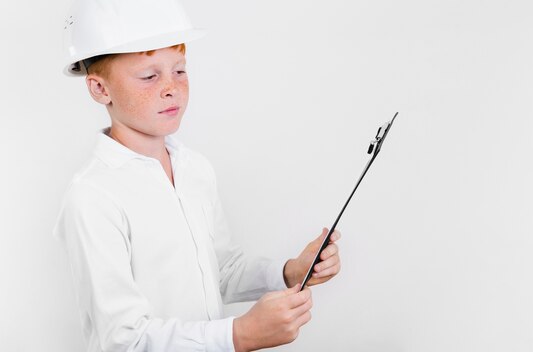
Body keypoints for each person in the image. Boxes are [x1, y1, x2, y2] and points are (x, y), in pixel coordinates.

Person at [53, 0, 341, 351]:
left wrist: (289, 271)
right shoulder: (94, 197)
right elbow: (123, 339)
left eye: (179, 70)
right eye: (148, 76)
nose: (170, 87)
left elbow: (220, 271)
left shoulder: (194, 169)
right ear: (100, 89)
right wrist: (238, 335)